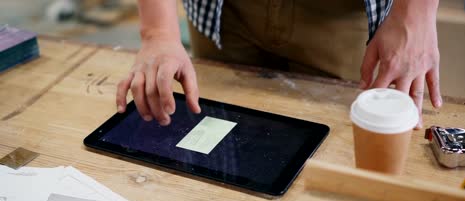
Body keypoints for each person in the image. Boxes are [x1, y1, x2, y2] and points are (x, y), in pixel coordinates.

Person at [116, 0, 442, 129]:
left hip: (340, 18)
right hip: (223, 13)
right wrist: (158, 31)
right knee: (209, 139)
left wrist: (415, 14)